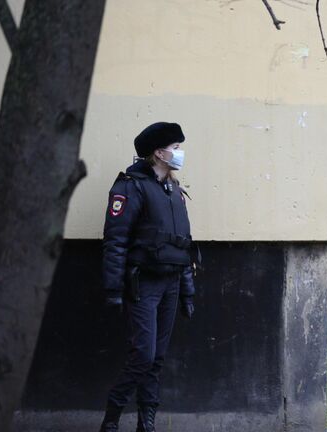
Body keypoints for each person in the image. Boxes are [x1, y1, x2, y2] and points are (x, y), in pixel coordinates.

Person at [99, 122, 196, 432]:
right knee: (144, 354)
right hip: (143, 284)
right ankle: (111, 420)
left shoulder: (174, 189)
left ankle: (147, 422)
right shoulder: (130, 187)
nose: (179, 153)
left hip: (172, 283)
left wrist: (188, 292)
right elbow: (115, 241)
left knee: (157, 359)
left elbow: (185, 243)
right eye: (176, 148)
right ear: (159, 152)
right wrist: (113, 290)